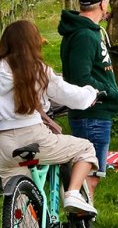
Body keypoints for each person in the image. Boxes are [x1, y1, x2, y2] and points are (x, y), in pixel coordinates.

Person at [0, 21, 101, 215]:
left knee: (22, 203)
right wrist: (91, 93)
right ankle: (72, 193)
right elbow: (72, 96)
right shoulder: (37, 70)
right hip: (34, 137)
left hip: (3, 145)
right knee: (85, 148)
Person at [59, 0, 118, 196]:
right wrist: (110, 92)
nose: (108, 4)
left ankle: (82, 211)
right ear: (102, 4)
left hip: (96, 114)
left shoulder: (88, 32)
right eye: (107, 0)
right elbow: (81, 78)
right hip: (92, 115)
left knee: (91, 176)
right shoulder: (84, 35)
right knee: (90, 177)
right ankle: (81, 212)